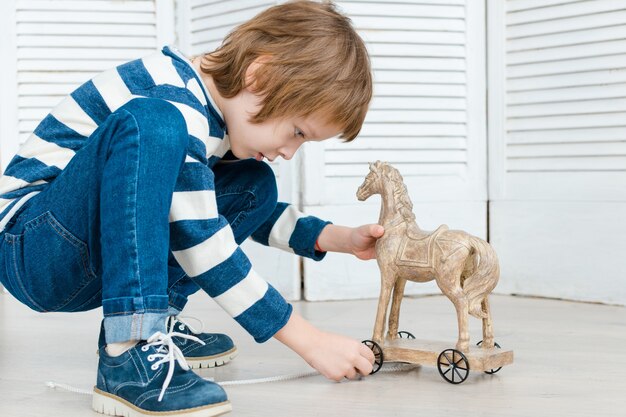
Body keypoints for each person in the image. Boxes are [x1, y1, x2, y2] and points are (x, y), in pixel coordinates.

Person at [0, 1, 384, 416]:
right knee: (155, 124)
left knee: (253, 183)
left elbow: (205, 209)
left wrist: (336, 238)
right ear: (261, 76)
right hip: (33, 248)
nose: (290, 152)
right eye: (296, 132)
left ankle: (154, 323)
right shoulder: (173, 99)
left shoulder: (212, 119)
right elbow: (200, 234)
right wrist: (308, 339)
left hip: (88, 250)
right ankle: (131, 346)